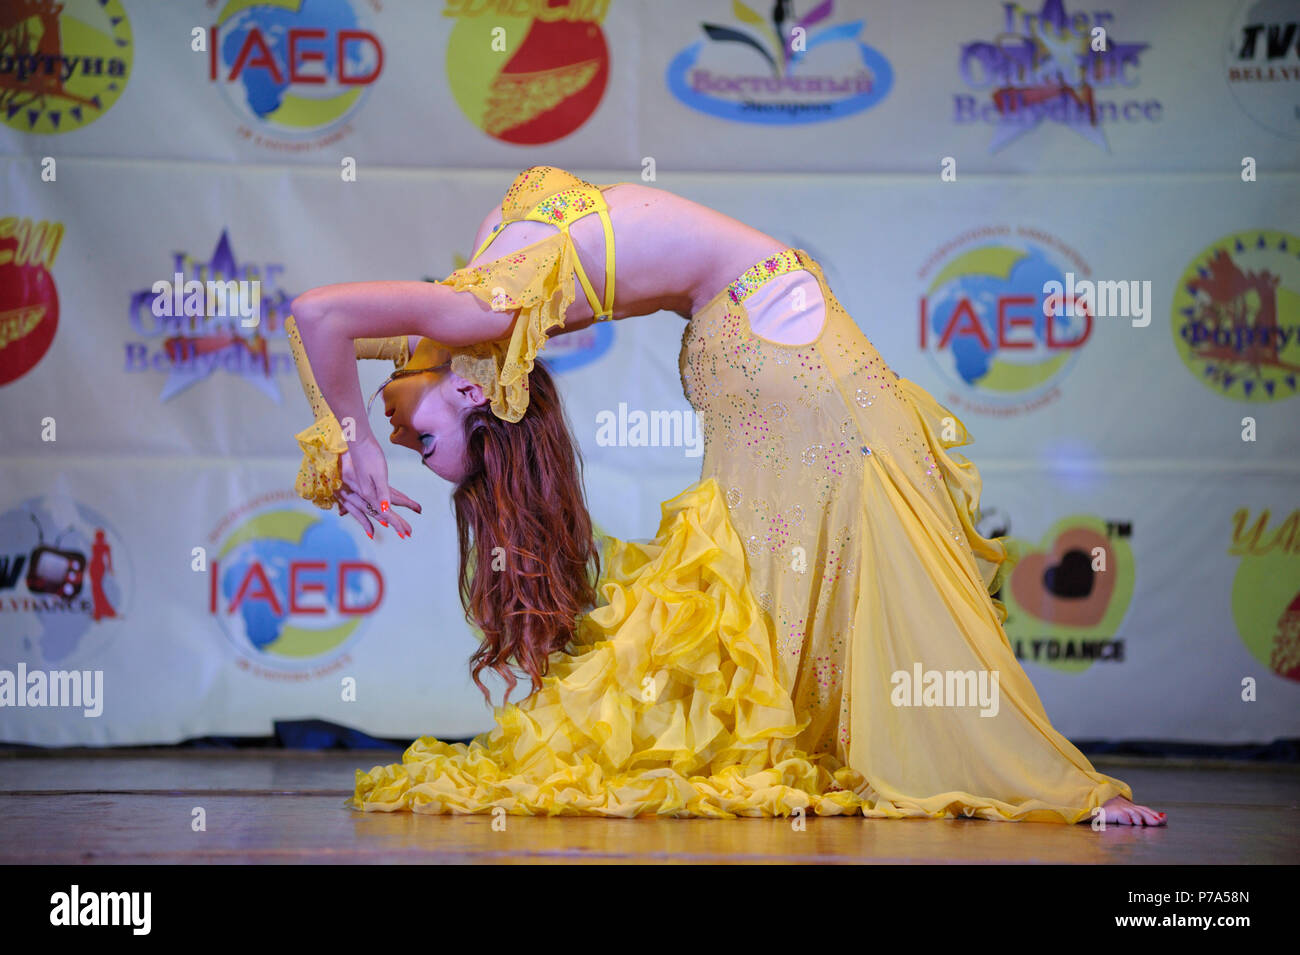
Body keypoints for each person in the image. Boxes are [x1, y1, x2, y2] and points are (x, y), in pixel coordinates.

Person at [286, 165, 1165, 825]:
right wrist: (354, 434)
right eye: (417, 446)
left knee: (859, 542)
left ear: (475, 390)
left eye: (416, 442)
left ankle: (1026, 773)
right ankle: (1020, 773)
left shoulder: (475, 313)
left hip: (764, 333)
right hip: (764, 338)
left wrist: (350, 440)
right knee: (843, 548)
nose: (400, 437)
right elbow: (340, 329)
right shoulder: (475, 317)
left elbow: (323, 317)